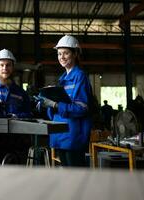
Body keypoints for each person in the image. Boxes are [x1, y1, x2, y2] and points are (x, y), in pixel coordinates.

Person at [36, 35, 92, 167]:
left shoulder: (80, 77)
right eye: (59, 54)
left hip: (74, 135)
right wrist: (47, 104)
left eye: (66, 53)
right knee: (67, 175)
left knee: (76, 176)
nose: (62, 57)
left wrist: (55, 104)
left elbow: (82, 109)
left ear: (75, 54)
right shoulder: (62, 79)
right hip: (61, 134)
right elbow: (57, 110)